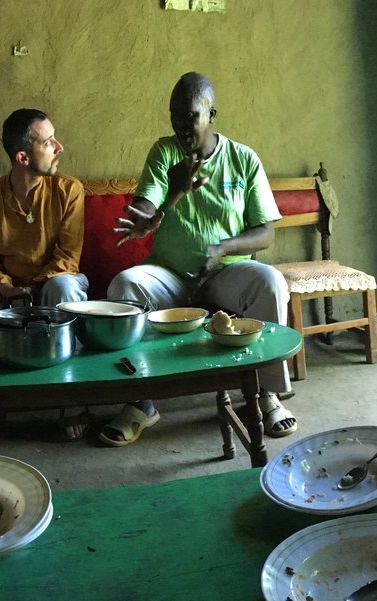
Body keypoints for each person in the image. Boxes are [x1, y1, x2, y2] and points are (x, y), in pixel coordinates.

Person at [104, 71, 295, 446]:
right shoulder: (164, 152)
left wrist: (223, 249)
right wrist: (149, 216)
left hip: (226, 274)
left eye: (189, 114)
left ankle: (265, 394)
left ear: (212, 114)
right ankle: (141, 403)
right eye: (174, 114)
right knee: (125, 284)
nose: (179, 122)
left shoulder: (243, 159)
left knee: (271, 282)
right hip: (170, 275)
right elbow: (147, 203)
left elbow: (266, 231)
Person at [0, 108, 86, 455]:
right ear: (22, 157)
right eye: (48, 142)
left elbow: (68, 257)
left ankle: (71, 401)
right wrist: (9, 289)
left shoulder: (69, 191)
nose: (60, 147)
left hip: (54, 280)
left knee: (66, 290)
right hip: (4, 286)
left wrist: (35, 287)